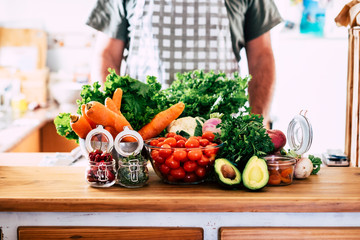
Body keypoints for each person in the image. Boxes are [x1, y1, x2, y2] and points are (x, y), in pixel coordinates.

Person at [86, 0, 282, 125]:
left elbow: (261, 57)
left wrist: (258, 120)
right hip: (142, 132)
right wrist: (111, 121)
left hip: (221, 133)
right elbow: (107, 55)